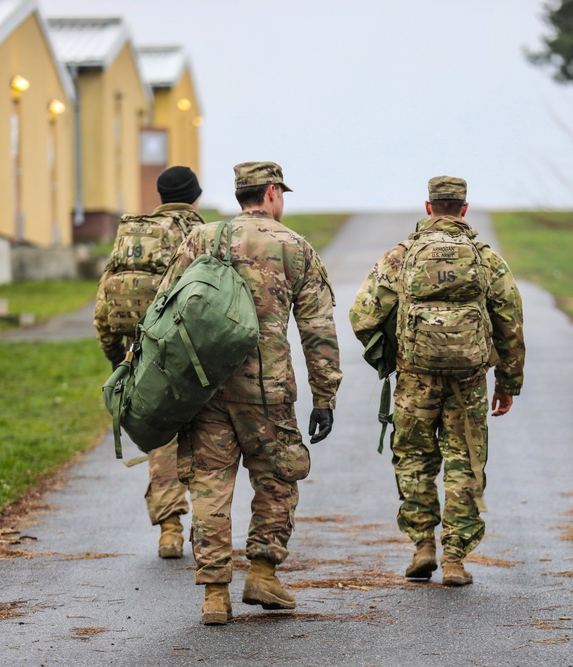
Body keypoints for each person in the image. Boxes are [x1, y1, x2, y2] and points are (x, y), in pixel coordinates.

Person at [156, 161, 341, 624]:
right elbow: (318, 330)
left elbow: (164, 307)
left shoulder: (203, 239)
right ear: (273, 192)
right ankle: (262, 572)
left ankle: (215, 595)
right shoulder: (294, 247)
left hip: (205, 390)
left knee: (211, 488)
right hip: (268, 393)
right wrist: (325, 396)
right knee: (277, 480)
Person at [350, 176, 525, 586]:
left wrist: (391, 355)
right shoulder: (485, 258)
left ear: (428, 208)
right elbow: (510, 322)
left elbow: (362, 314)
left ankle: (422, 545)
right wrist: (508, 382)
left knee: (414, 459)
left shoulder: (401, 256)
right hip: (468, 381)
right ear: (464, 209)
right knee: (464, 462)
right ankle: (455, 559)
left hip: (415, 378)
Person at [93, 165, 206, 560]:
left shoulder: (133, 235)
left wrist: (114, 357)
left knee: (162, 439)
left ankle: (170, 530)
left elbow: (106, 299)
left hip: (141, 354)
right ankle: (206, 532)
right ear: (196, 196)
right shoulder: (199, 233)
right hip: (190, 354)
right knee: (205, 440)